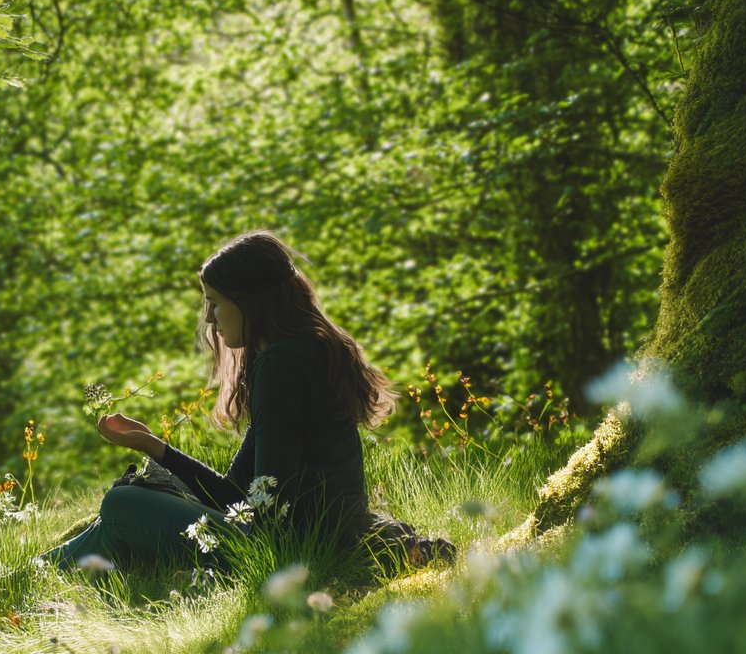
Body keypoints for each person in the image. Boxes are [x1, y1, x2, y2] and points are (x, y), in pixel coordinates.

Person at [44, 230, 454, 573]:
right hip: (304, 541)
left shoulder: (281, 366)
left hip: (287, 555)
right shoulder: (304, 352)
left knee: (122, 503)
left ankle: (35, 577)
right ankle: (36, 575)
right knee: (118, 516)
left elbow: (263, 509)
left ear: (250, 302)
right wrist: (153, 446)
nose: (209, 318)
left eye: (215, 302)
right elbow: (240, 493)